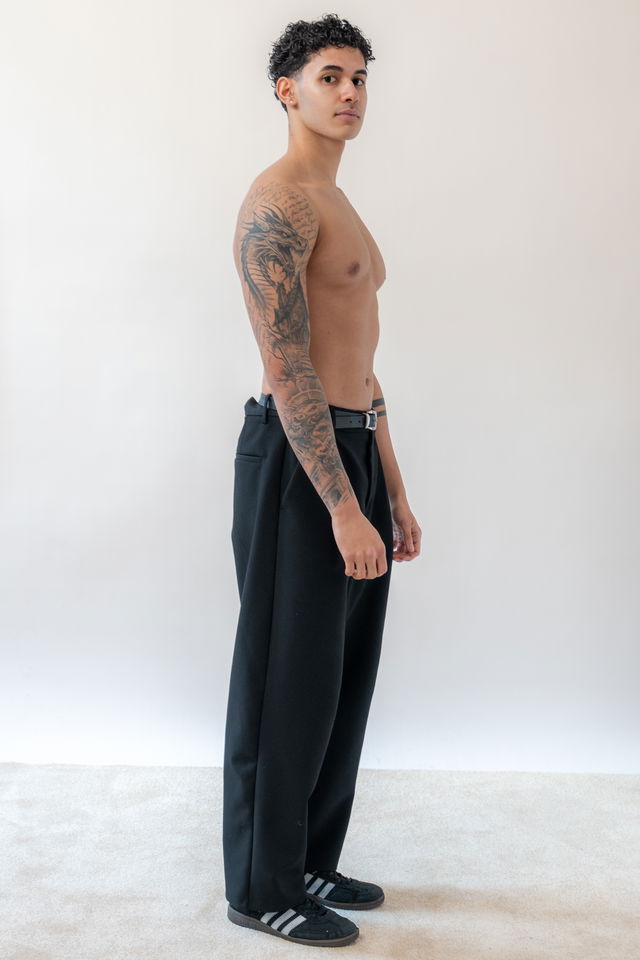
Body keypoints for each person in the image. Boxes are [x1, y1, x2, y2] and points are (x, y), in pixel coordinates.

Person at [222, 14, 422, 948]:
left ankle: (308, 859)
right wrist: (341, 503)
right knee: (286, 680)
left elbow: (361, 366)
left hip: (353, 451)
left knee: (341, 679)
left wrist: (392, 490)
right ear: (287, 90)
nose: (349, 93)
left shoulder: (340, 202)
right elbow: (287, 365)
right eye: (330, 76)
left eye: (359, 78)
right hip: (300, 465)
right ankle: (260, 887)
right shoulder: (279, 203)